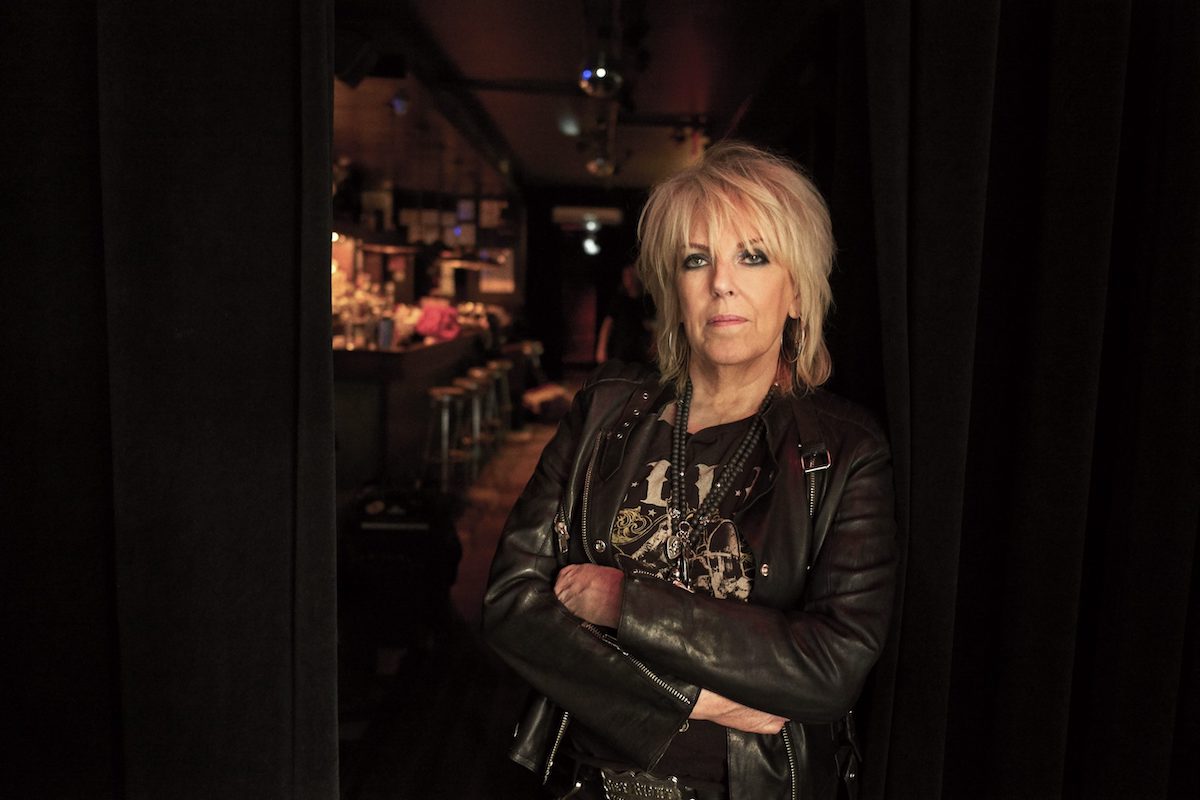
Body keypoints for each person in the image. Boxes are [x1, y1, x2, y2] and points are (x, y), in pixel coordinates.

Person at [483, 142, 897, 800]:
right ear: (674, 291)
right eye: (696, 259)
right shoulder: (604, 410)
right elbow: (512, 604)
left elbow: (832, 667)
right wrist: (694, 698)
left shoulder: (845, 451)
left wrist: (622, 602)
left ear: (797, 290)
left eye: (753, 256)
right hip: (582, 784)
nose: (721, 282)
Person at [595, 263, 655, 364]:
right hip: (620, 353)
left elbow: (653, 326)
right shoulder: (619, 300)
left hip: (641, 355)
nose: (629, 279)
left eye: (631, 275)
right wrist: (601, 349)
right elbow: (607, 324)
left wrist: (654, 345)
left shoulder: (647, 301)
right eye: (626, 276)